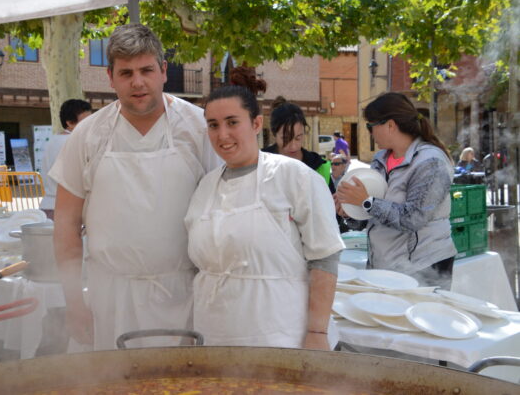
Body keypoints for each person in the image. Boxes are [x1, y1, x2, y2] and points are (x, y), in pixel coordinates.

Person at [49, 23, 220, 351]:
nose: (138, 82)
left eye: (146, 70)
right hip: (109, 299)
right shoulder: (88, 135)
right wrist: (73, 304)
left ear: (163, 71)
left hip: (184, 297)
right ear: (110, 78)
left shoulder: (199, 128)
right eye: (126, 73)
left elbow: (224, 214)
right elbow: (66, 226)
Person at [185, 85, 345, 350]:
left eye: (232, 122)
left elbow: (325, 258)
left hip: (280, 335)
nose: (222, 134)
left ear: (256, 123)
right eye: (213, 125)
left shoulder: (296, 177)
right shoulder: (205, 187)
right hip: (215, 334)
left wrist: (317, 332)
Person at [336, 92, 456, 288]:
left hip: (422, 267)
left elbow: (414, 218)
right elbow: (374, 215)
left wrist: (366, 201)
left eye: (370, 126)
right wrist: (350, 211)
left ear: (390, 125)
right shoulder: (380, 159)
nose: (370, 133)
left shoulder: (431, 162)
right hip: (385, 266)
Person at [262, 98, 335, 193]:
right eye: (285, 138)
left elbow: (331, 203)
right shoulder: (260, 164)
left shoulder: (319, 167)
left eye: (298, 138)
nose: (293, 146)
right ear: (274, 134)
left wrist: (337, 204)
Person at [39, 99, 92, 220]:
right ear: (69, 123)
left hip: (48, 206)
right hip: (67, 209)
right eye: (86, 122)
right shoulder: (74, 142)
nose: (91, 125)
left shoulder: (53, 140)